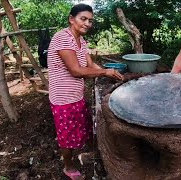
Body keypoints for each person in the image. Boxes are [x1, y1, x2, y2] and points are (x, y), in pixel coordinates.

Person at [47, 4, 124, 180]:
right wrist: (104, 72)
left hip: (76, 95)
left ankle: (93, 153)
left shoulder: (81, 41)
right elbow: (76, 70)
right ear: (71, 19)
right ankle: (68, 166)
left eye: (90, 20)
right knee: (66, 136)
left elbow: (90, 65)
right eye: (83, 19)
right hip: (63, 98)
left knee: (85, 127)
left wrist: (110, 74)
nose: (88, 23)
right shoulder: (62, 38)